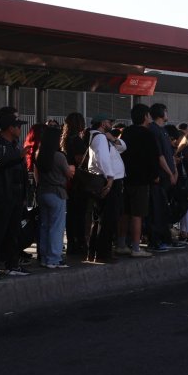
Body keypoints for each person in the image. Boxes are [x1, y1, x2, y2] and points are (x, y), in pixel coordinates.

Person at [0, 108, 31, 280]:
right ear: (10, 127)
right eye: (18, 126)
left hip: (16, 196)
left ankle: (12, 264)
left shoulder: (14, 145)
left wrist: (25, 194)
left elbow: (21, 173)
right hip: (1, 196)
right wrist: (17, 157)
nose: (20, 129)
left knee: (13, 232)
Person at [85, 114, 126, 264]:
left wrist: (112, 138)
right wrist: (110, 178)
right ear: (103, 123)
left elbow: (123, 147)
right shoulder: (100, 138)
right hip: (108, 181)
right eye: (109, 122)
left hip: (105, 180)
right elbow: (102, 158)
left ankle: (94, 252)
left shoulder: (101, 137)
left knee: (100, 219)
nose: (111, 124)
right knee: (107, 219)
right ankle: (103, 253)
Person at [119, 104, 159, 258]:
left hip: (125, 177)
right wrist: (155, 175)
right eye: (148, 115)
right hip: (141, 179)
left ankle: (121, 244)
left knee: (125, 212)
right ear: (145, 117)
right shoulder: (148, 134)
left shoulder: (126, 132)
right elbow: (153, 157)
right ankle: (136, 248)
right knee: (138, 214)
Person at [35, 125, 73, 269]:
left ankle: (44, 257)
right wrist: (71, 169)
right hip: (57, 193)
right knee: (56, 227)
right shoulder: (59, 156)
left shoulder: (39, 153)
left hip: (42, 192)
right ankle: (54, 258)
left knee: (44, 226)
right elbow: (68, 174)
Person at [147, 103, 180, 252]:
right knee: (157, 211)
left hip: (169, 177)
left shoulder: (164, 131)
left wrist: (175, 172)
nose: (167, 113)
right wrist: (169, 173)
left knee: (164, 210)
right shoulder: (154, 130)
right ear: (160, 113)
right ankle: (155, 240)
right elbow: (159, 156)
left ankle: (166, 237)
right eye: (165, 111)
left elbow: (170, 155)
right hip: (160, 177)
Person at [61, 112, 88, 256]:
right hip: (78, 181)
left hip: (69, 181)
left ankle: (72, 243)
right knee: (79, 214)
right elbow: (79, 160)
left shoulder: (65, 139)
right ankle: (79, 243)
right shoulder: (77, 140)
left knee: (71, 214)